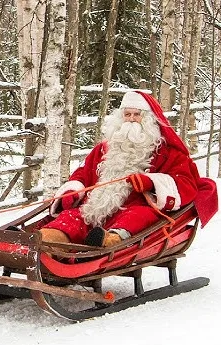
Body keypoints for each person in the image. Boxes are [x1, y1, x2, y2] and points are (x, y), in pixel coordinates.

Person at [40, 90, 218, 247]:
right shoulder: (103, 149)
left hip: (137, 207)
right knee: (72, 217)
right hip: (96, 207)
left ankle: (111, 240)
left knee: (138, 216)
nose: (131, 119)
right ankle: (45, 240)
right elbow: (83, 174)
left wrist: (151, 183)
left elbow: (185, 182)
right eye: (127, 114)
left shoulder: (167, 152)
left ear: (148, 120)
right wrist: (73, 190)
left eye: (137, 115)